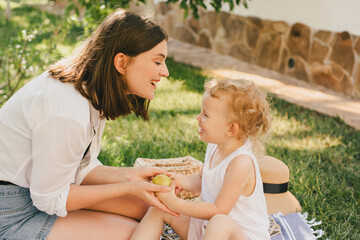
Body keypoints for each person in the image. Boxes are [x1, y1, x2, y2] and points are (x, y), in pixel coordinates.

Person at [0, 9, 176, 240]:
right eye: (157, 61)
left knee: (147, 207)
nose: (166, 72)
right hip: (11, 211)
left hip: (33, 193)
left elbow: (82, 167)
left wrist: (134, 176)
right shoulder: (67, 111)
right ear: (121, 62)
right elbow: (49, 198)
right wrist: (127, 188)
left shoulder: (89, 90)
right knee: (134, 233)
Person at [131, 79, 272, 240]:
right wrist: (176, 180)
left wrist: (176, 204)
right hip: (208, 230)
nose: (198, 117)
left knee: (220, 221)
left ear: (231, 128)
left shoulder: (241, 162)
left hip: (239, 235)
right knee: (160, 209)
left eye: (205, 114)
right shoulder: (215, 146)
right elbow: (201, 181)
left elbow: (219, 210)